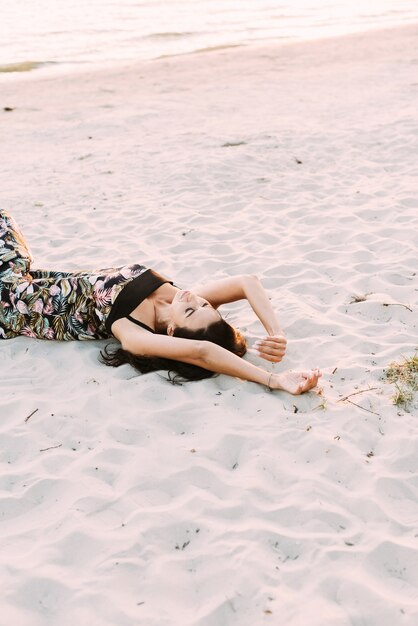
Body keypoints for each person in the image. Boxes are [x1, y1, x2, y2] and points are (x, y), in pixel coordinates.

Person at [0, 210, 321, 394]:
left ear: (171, 332)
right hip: (30, 278)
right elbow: (246, 282)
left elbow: (203, 352)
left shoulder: (134, 332)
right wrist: (276, 332)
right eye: (208, 306)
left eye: (193, 310)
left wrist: (273, 379)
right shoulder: (178, 300)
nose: (196, 298)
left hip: (9, 301)